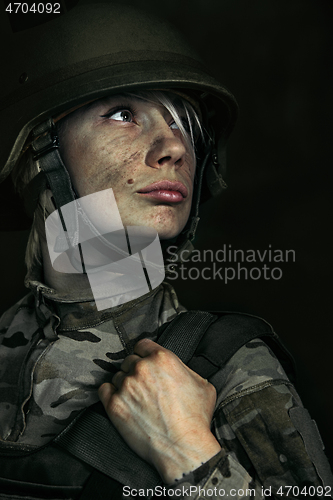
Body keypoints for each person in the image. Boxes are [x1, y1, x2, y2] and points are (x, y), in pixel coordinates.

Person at [0, 2, 332, 499]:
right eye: (123, 114)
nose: (174, 147)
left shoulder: (225, 364)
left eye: (186, 126)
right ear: (38, 153)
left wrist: (187, 451)